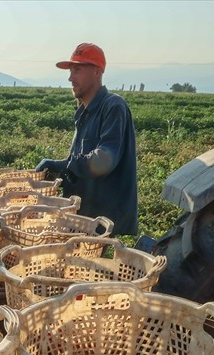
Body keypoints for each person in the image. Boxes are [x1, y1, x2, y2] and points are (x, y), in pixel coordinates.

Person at [36, 43, 139, 236]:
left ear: (97, 72)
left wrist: (65, 166)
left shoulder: (113, 107)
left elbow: (103, 160)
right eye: (70, 71)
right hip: (83, 216)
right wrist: (59, 171)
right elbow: (81, 163)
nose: (70, 78)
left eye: (77, 70)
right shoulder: (84, 111)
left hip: (101, 221)